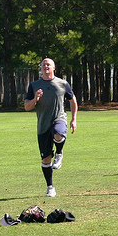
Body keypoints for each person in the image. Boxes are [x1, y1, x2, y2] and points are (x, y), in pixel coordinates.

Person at [24, 58, 78, 197]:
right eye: (43, 65)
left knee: (58, 134)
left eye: (48, 64)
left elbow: (73, 100)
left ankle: (59, 153)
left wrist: (74, 119)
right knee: (46, 160)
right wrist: (35, 99)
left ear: (54, 67)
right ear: (41, 69)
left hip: (58, 118)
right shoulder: (34, 85)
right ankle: (50, 187)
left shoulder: (62, 83)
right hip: (42, 125)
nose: (45, 66)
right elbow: (27, 107)